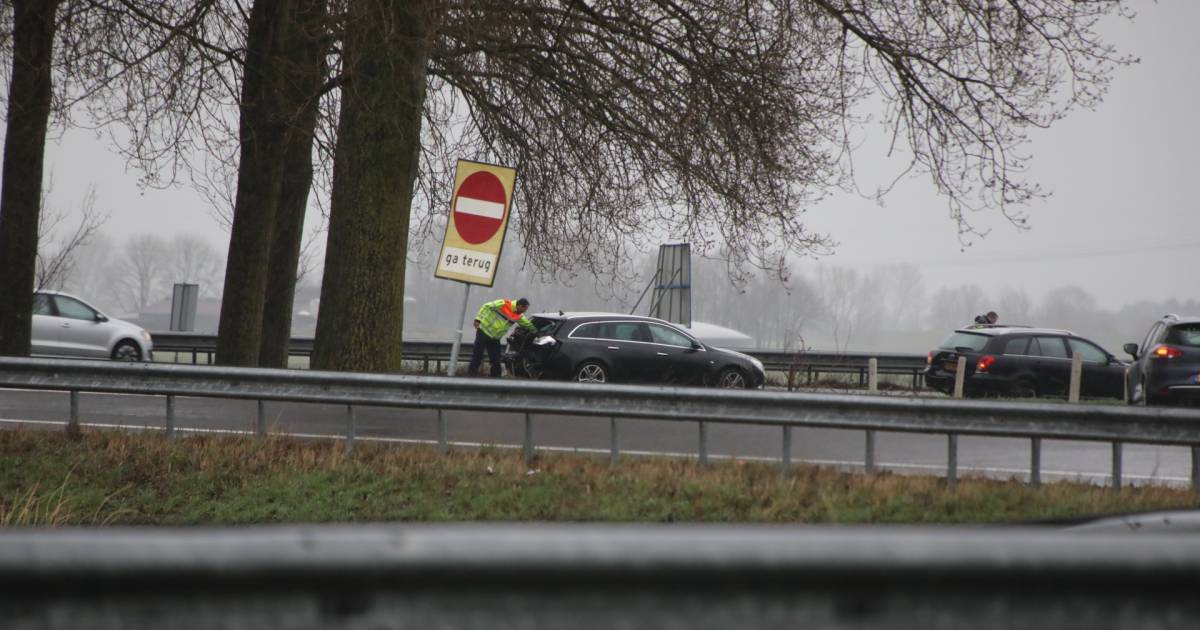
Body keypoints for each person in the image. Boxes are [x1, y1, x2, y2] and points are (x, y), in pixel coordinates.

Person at [468, 297, 536, 377]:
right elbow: (486, 306)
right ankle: (471, 376)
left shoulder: (519, 316)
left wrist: (536, 331)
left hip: (495, 338)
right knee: (477, 355)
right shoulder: (504, 303)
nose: (524, 311)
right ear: (520, 306)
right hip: (483, 332)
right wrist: (478, 319)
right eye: (524, 309)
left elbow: (527, 324)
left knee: (496, 359)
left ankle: (496, 379)